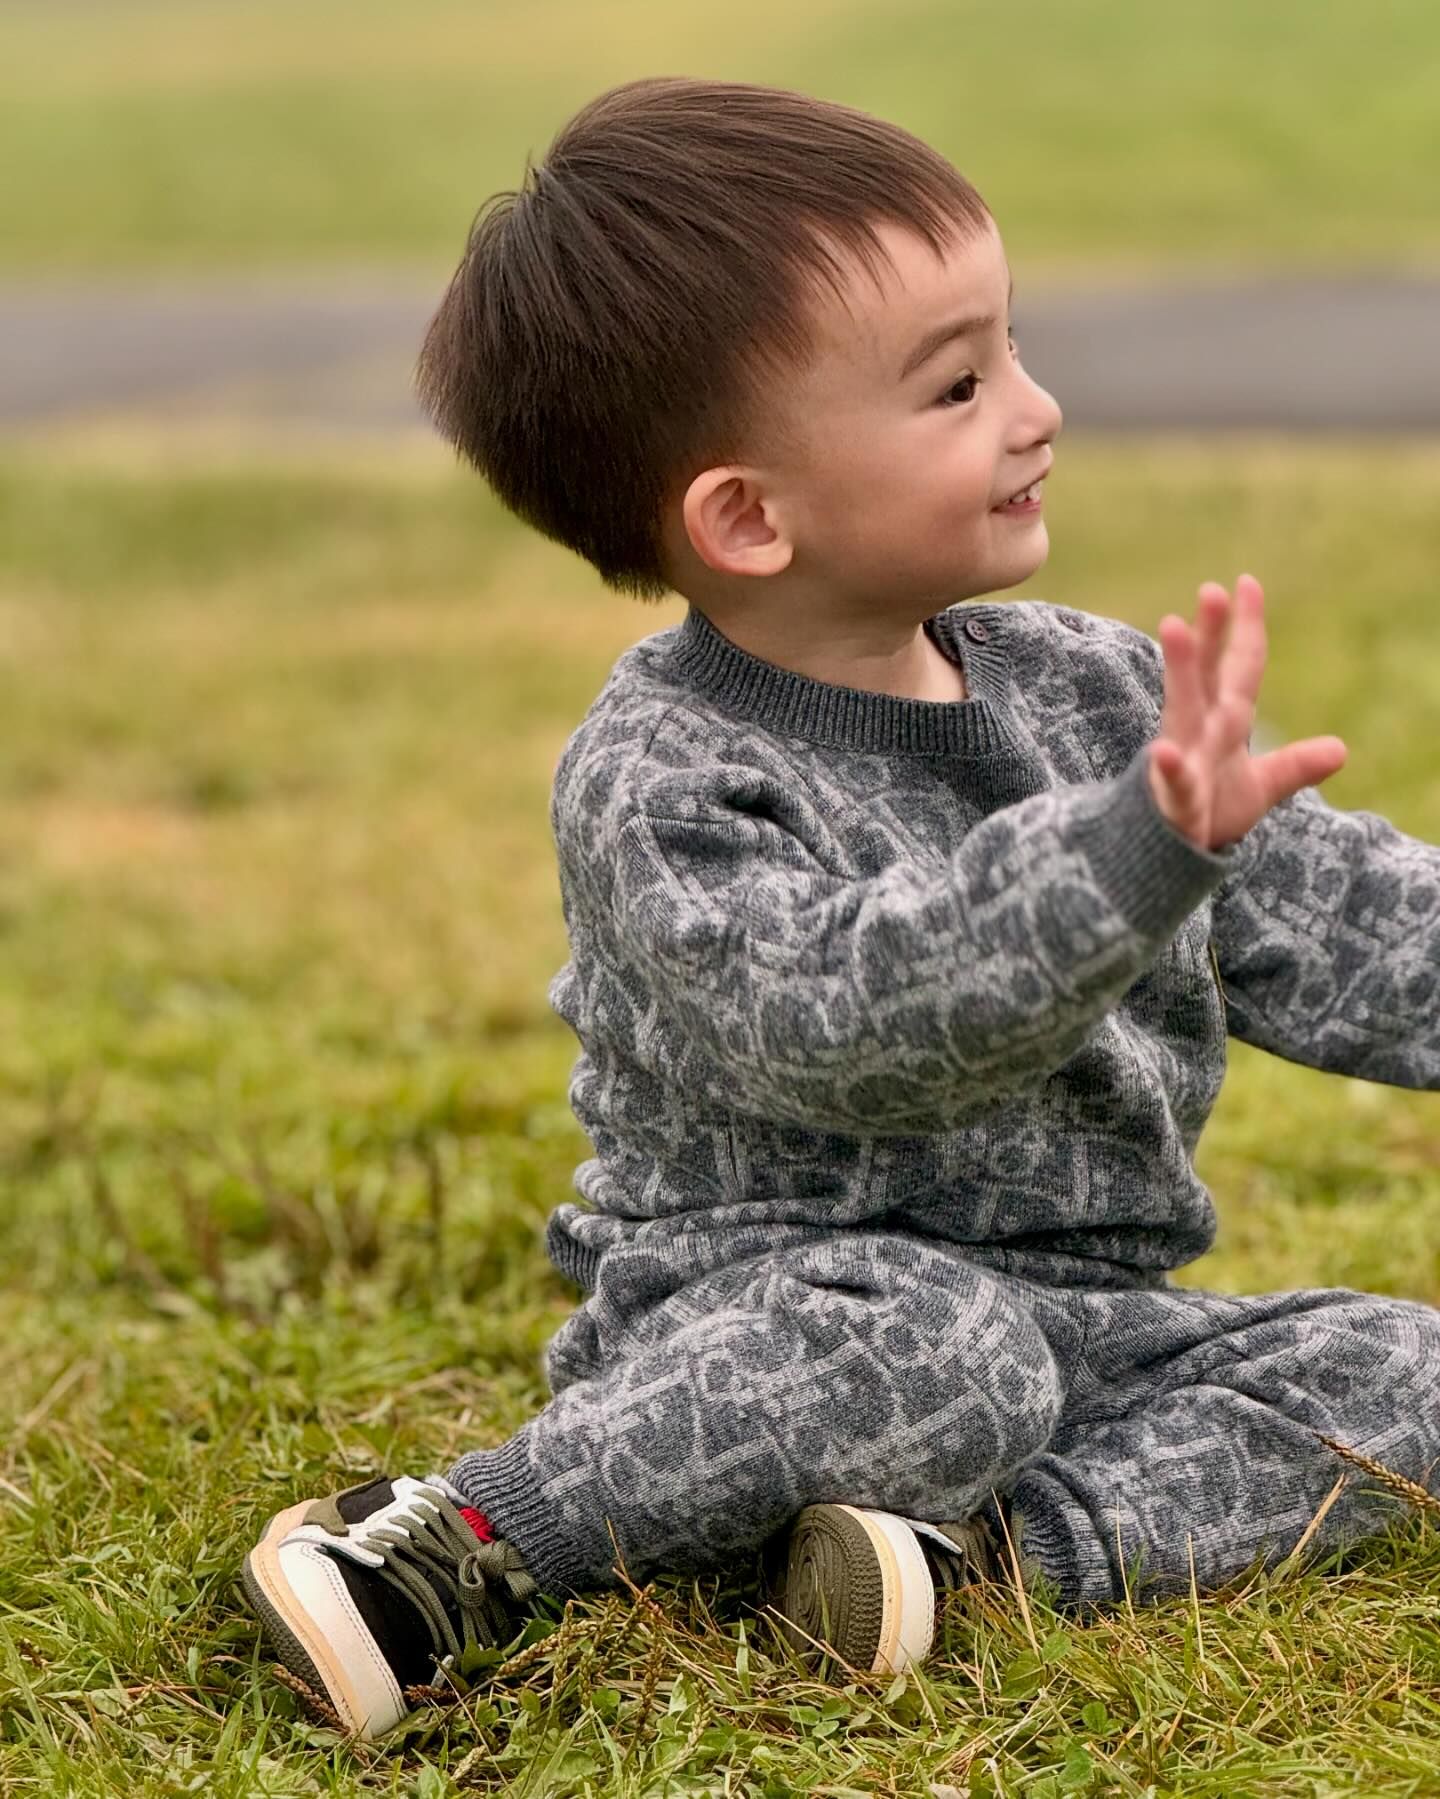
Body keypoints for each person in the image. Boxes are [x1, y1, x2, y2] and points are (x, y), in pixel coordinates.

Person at [241, 76, 1440, 1741]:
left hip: (1094, 1313)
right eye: (957, 384)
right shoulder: (664, 776)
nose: (1038, 410)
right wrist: (1129, 856)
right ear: (747, 516)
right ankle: (452, 1552)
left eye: (1012, 349)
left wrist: (1186, 843)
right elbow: (860, 1031)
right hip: (779, 1313)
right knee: (944, 1361)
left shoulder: (1092, 695)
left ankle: (971, 1561)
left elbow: (1343, 914)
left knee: (1409, 1376)